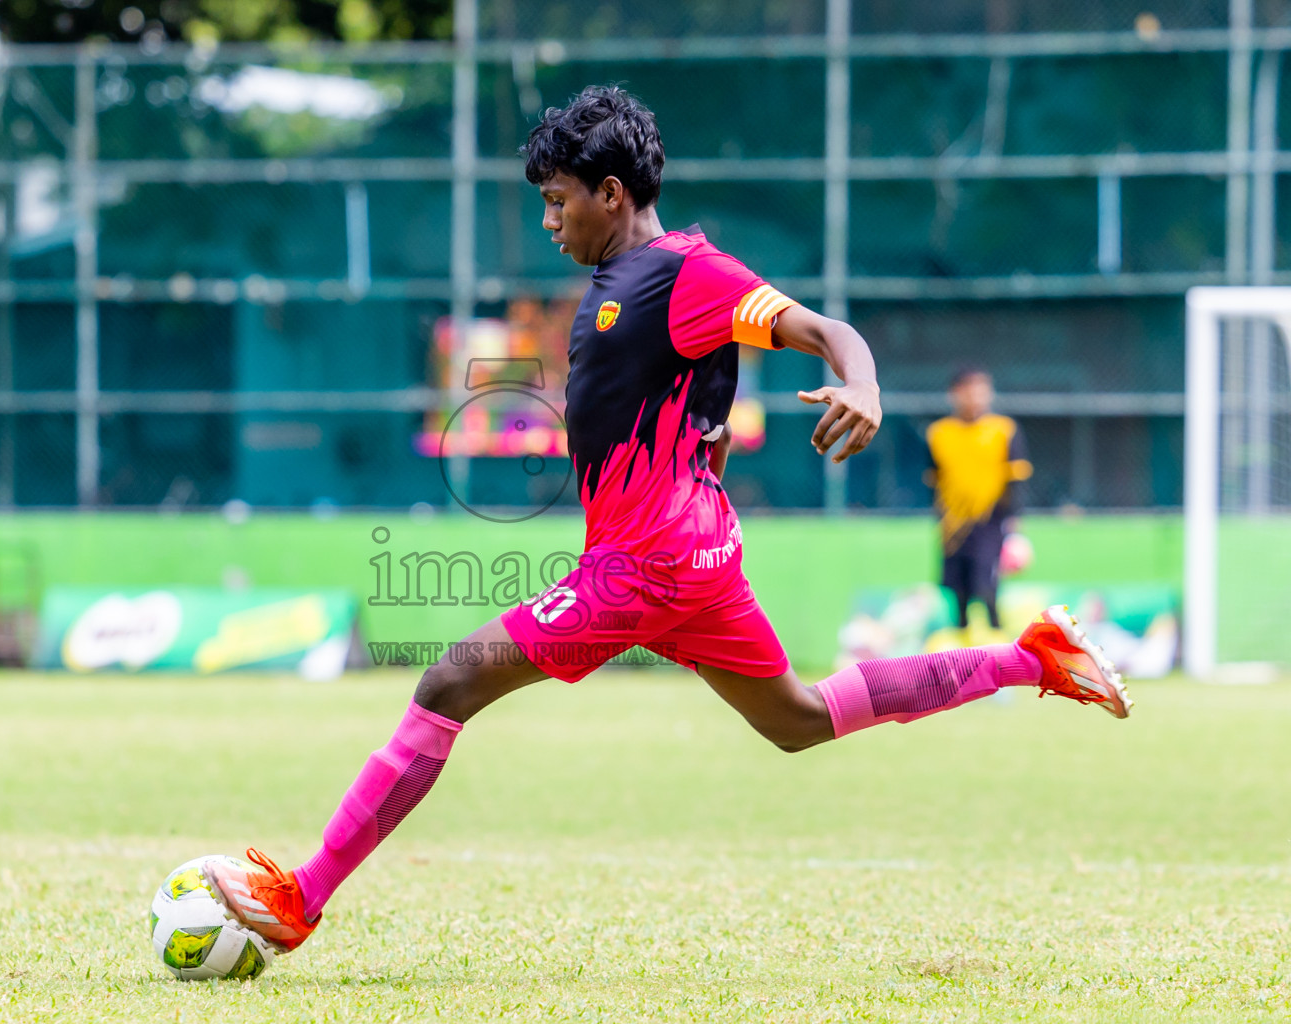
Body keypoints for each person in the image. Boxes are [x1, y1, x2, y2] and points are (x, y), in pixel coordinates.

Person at [203, 87, 1132, 954]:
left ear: (612, 193)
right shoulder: (630, 278)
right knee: (799, 718)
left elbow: (826, 331)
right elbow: (672, 392)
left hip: (649, 565)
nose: (549, 218)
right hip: (693, 556)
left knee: (446, 686)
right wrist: (704, 433)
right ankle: (1032, 656)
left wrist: (864, 383)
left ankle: (301, 900)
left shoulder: (686, 272)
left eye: (559, 200)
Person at [926, 368, 1033, 634]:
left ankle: (997, 637)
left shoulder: (1004, 429)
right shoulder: (938, 433)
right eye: (969, 391)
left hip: (990, 519)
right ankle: (959, 642)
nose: (976, 398)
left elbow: (1016, 478)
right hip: (952, 522)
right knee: (956, 586)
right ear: (954, 394)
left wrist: (1014, 520)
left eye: (982, 391)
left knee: (986, 582)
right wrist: (939, 516)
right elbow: (934, 478)